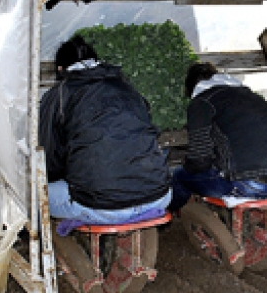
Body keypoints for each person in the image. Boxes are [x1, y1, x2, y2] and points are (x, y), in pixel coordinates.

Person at [38, 35, 172, 225]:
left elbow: (48, 160)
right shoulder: (128, 88)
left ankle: (56, 244)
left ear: (60, 69)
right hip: (158, 195)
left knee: (34, 192)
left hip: (102, 205)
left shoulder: (59, 95)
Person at [171, 62, 267, 209]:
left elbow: (200, 159)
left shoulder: (202, 102)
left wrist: (189, 166)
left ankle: (174, 220)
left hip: (249, 184)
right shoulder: (253, 96)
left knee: (179, 176)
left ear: (192, 86)